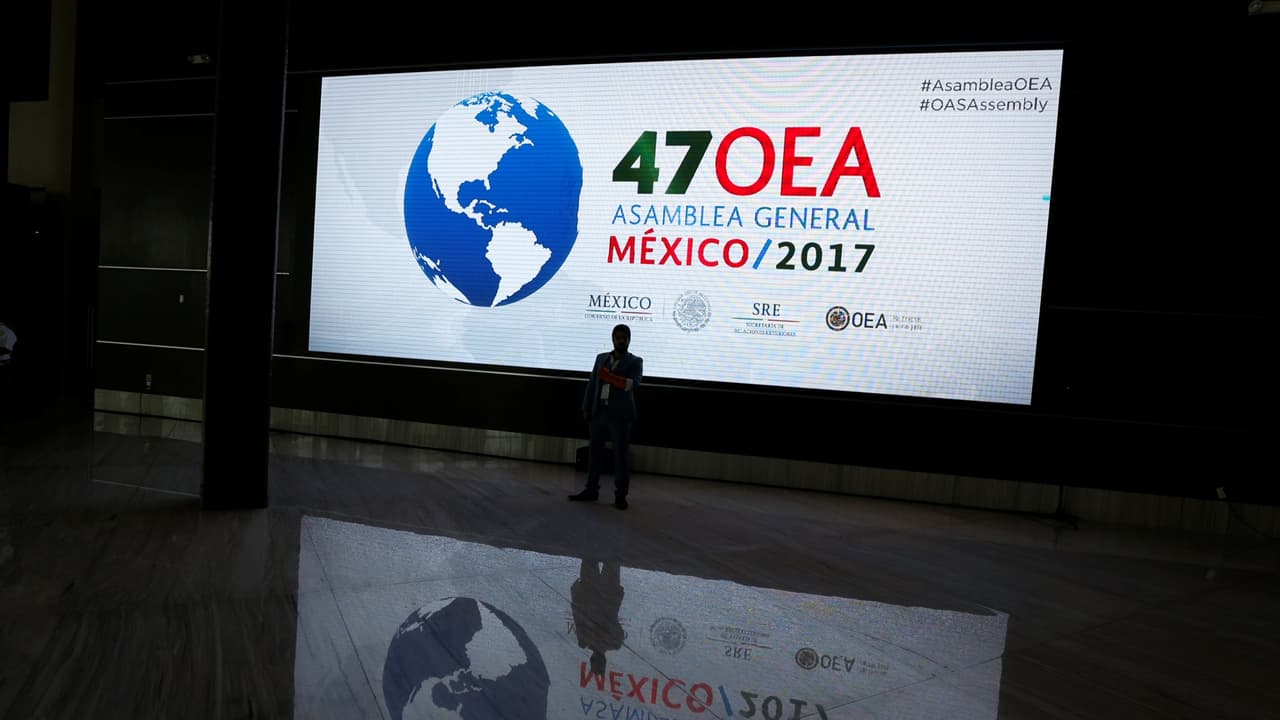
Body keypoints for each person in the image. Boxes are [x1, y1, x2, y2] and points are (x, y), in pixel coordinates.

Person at [570, 323, 642, 510]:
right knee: (594, 454)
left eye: (624, 338)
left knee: (621, 456)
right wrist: (586, 408)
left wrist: (609, 377)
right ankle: (591, 490)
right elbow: (592, 384)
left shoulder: (635, 361)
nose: (621, 341)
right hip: (599, 412)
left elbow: (631, 384)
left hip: (620, 416)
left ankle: (621, 496)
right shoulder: (601, 358)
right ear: (613, 339)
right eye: (618, 338)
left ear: (629, 340)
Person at [570, 557, 625, 676]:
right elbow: (577, 613)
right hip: (603, 594)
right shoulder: (612, 642)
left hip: (593, 592)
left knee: (591, 557)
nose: (597, 659)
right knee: (611, 558)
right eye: (599, 662)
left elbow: (577, 614)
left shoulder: (611, 642)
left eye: (596, 662)